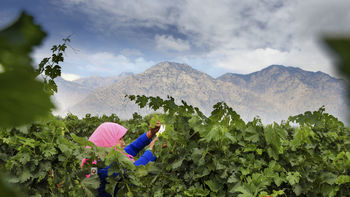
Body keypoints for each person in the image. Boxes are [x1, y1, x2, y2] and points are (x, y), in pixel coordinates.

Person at [83, 121, 161, 197]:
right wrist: (153, 151)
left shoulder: (100, 158)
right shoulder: (101, 168)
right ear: (108, 139)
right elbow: (133, 172)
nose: (123, 143)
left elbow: (131, 149)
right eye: (120, 139)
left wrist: (150, 134)